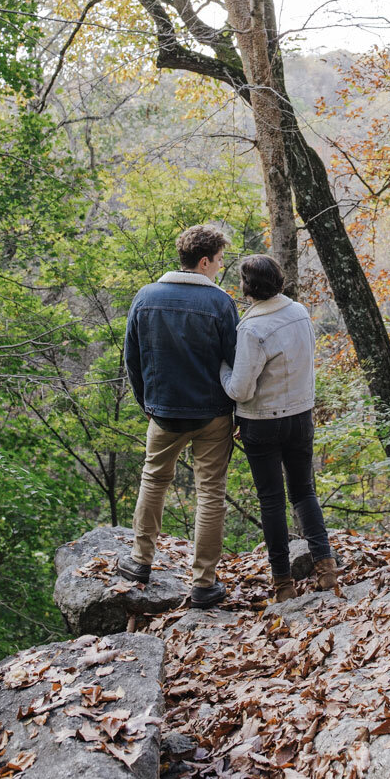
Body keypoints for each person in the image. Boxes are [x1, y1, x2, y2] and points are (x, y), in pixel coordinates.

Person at [124, 224, 238, 608]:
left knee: (153, 481)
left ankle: (140, 562)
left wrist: (149, 403)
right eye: (220, 261)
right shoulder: (221, 303)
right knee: (210, 493)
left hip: (164, 412)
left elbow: (133, 360)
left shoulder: (146, 297)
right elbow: (235, 362)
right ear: (204, 261)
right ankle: (204, 583)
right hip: (212, 414)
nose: (220, 268)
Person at [221, 254, 337, 603]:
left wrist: (223, 369)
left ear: (247, 287)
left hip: (261, 422)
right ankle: (326, 567)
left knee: (271, 500)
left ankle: (283, 583)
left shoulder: (252, 329)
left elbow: (241, 389)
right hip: (301, 414)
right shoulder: (300, 313)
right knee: (304, 492)